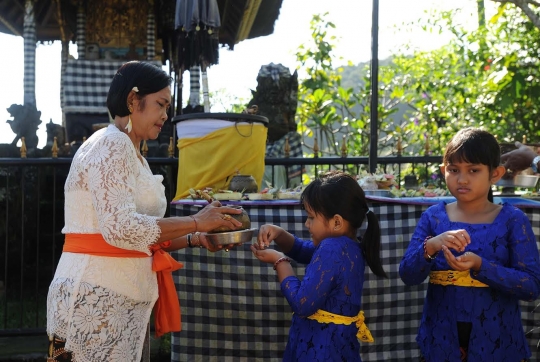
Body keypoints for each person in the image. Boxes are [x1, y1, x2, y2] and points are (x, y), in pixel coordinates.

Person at [46, 61, 243, 362]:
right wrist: (194, 221)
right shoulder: (112, 144)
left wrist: (195, 236)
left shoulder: (132, 151)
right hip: (96, 297)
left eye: (167, 107)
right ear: (133, 101)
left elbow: (143, 234)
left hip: (121, 296)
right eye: (161, 105)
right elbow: (121, 228)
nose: (166, 115)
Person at [399, 127, 540, 362]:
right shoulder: (433, 217)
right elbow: (407, 275)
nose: (462, 179)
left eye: (473, 170)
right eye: (454, 170)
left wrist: (480, 266)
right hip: (441, 339)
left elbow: (531, 286)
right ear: (444, 171)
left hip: (498, 340)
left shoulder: (513, 220)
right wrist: (431, 246)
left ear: (495, 174)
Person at [251, 170, 387, 362]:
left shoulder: (332, 248)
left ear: (337, 222)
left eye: (311, 217)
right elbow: (302, 250)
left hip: (320, 350)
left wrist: (280, 262)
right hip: (337, 347)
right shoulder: (349, 245)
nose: (307, 223)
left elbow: (302, 304)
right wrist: (280, 234)